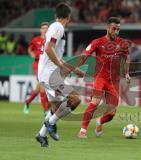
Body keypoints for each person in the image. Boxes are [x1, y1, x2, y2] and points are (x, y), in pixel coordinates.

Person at [36, 2, 84, 147]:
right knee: (75, 99)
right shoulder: (59, 27)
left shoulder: (53, 27)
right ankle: (49, 123)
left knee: (56, 108)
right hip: (50, 75)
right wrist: (61, 66)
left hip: (46, 73)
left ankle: (41, 135)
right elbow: (49, 49)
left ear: (56, 15)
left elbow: (56, 54)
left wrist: (73, 69)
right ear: (68, 17)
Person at [76, 17, 131, 138]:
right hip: (100, 77)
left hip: (114, 80)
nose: (116, 31)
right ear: (107, 28)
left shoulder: (122, 43)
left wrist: (126, 73)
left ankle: (99, 122)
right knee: (95, 102)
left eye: (118, 29)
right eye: (113, 29)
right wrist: (77, 67)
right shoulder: (97, 42)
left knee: (112, 113)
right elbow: (85, 55)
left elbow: (127, 58)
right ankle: (82, 131)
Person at [23, 22, 49, 115]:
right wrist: (32, 55)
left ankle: (27, 102)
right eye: (43, 28)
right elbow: (30, 49)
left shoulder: (50, 40)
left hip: (46, 66)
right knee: (42, 86)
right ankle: (45, 110)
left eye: (47, 28)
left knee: (39, 88)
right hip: (37, 65)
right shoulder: (36, 40)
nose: (45, 30)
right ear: (40, 30)